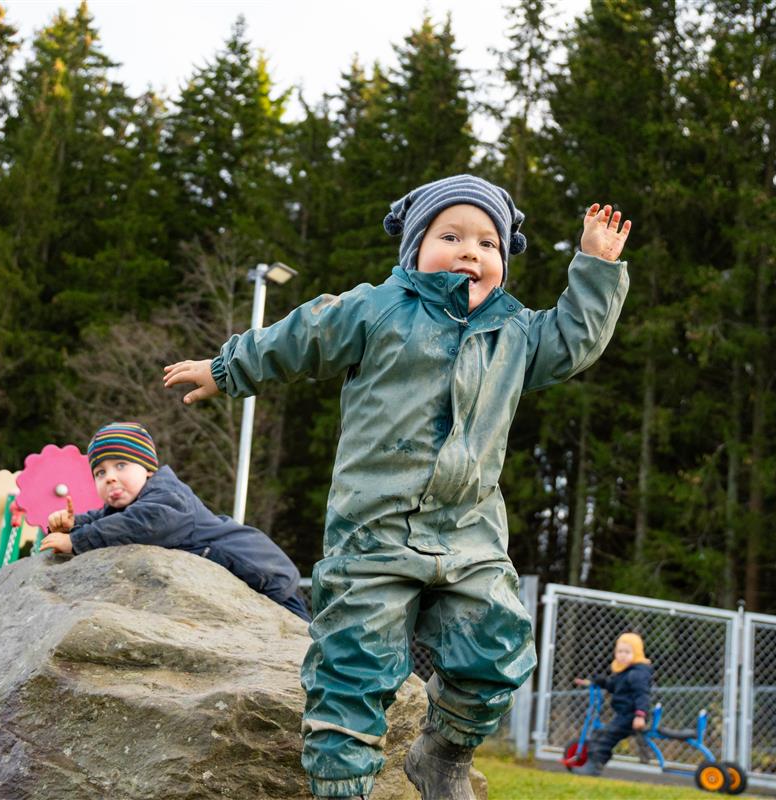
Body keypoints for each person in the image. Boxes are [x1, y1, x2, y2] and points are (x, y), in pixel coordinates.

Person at [164, 174, 632, 800]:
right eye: (451, 236)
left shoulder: (516, 333)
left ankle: (442, 756)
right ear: (413, 248)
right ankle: (342, 788)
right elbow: (302, 334)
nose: (471, 251)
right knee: (353, 669)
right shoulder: (378, 307)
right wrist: (228, 368)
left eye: (489, 243)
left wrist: (596, 268)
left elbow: (574, 339)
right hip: (373, 532)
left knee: (497, 650)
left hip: (469, 537)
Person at [39, 421, 310, 622]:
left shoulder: (167, 498)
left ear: (147, 469)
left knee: (304, 648)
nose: (109, 477)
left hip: (267, 576)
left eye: (120, 466)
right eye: (100, 472)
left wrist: (76, 541)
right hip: (243, 582)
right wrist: (72, 525)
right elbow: (104, 519)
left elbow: (140, 524)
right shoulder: (126, 507)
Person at [571, 632, 653, 777]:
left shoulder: (637, 673)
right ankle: (595, 760)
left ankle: (594, 766)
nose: (622, 655)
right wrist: (597, 681)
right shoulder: (624, 673)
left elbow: (642, 695)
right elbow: (613, 685)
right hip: (624, 714)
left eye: (627, 652)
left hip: (632, 715)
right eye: (619, 651)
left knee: (607, 736)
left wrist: (640, 715)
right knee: (601, 733)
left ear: (637, 653)